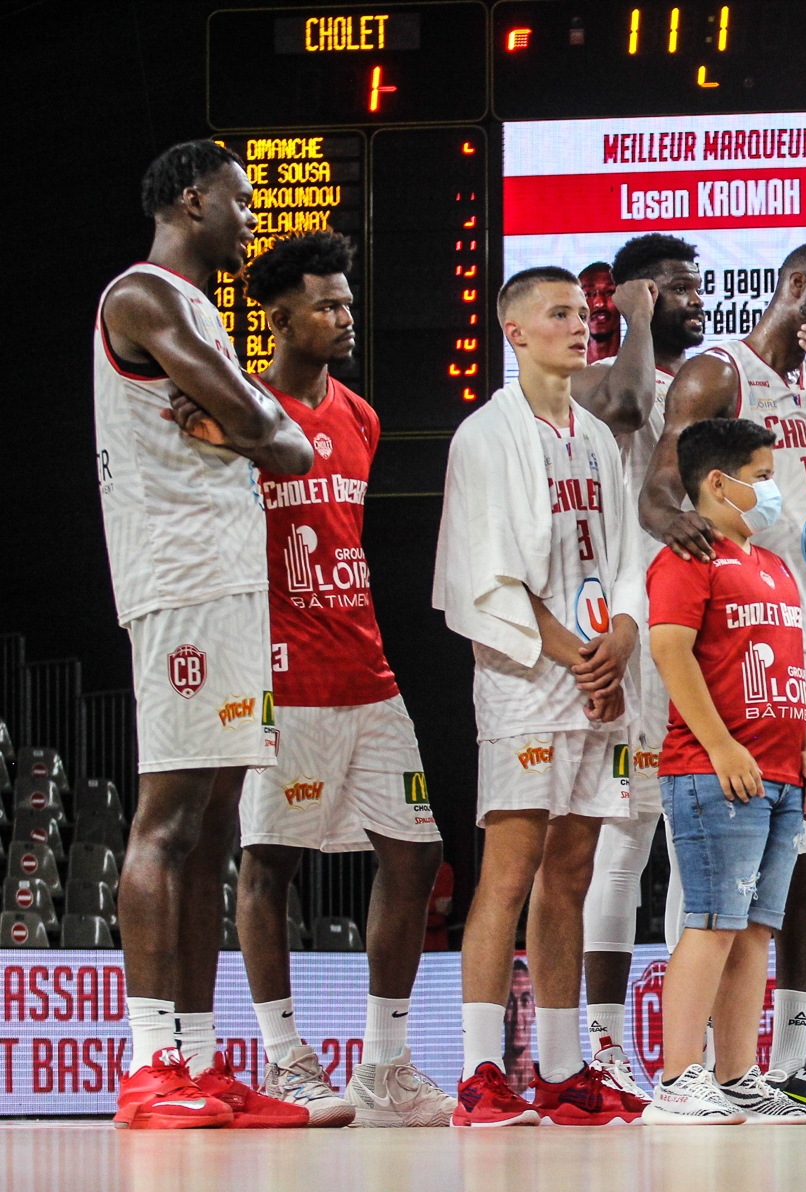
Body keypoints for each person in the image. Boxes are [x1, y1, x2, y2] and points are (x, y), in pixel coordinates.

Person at [640, 241, 806, 1122]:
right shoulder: (722, 375)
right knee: (714, 882)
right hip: (734, 637)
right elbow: (657, 491)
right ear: (796, 289)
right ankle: (687, 1070)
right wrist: (690, 548)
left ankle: (786, 1057)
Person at [96, 141, 317, 1129]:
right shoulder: (144, 297)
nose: (246, 220)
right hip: (180, 581)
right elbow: (261, 428)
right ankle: (150, 1064)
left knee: (217, 828)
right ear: (190, 198)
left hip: (230, 582)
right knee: (170, 821)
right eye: (237, 201)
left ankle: (200, 1061)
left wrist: (252, 428)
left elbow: (288, 438)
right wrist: (252, 428)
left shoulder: (203, 314)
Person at [232, 231, 452, 1127]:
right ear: (279, 317)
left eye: (348, 302)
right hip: (280, 677)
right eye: (327, 305)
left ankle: (385, 1064)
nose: (344, 316)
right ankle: (285, 1058)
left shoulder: (359, 416)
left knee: (419, 851)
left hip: (367, 670)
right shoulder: (237, 409)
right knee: (269, 861)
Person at [431, 266, 648, 1126]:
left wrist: (622, 636)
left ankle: (560, 1070)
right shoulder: (483, 436)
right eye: (559, 314)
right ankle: (482, 1071)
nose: (580, 326)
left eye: (583, 315)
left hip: (599, 675)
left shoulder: (596, 436)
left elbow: (628, 553)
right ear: (513, 330)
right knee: (509, 870)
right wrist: (577, 656)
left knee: (574, 869)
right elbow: (484, 576)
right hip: (526, 681)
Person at [640, 419, 806, 1123]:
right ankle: (677, 1079)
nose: (772, 489)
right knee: (709, 921)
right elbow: (671, 651)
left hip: (781, 774)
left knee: (754, 929)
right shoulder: (687, 557)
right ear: (717, 482)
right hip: (715, 773)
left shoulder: (775, 565)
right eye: (761, 475)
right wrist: (722, 746)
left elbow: (789, 666)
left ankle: (737, 1075)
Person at [570, 233, 705, 1097]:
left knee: (699, 845)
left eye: (698, 287)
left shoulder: (709, 386)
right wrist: (633, 318)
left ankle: (691, 1056)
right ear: (634, 295)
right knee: (623, 844)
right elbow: (623, 403)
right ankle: (605, 1044)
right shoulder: (592, 381)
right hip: (625, 620)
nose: (696, 298)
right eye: (676, 288)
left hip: (698, 629)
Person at [580, 261, 620, 363]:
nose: (600, 303)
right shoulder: (561, 371)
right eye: (588, 294)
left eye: (609, 292)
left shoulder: (640, 367)